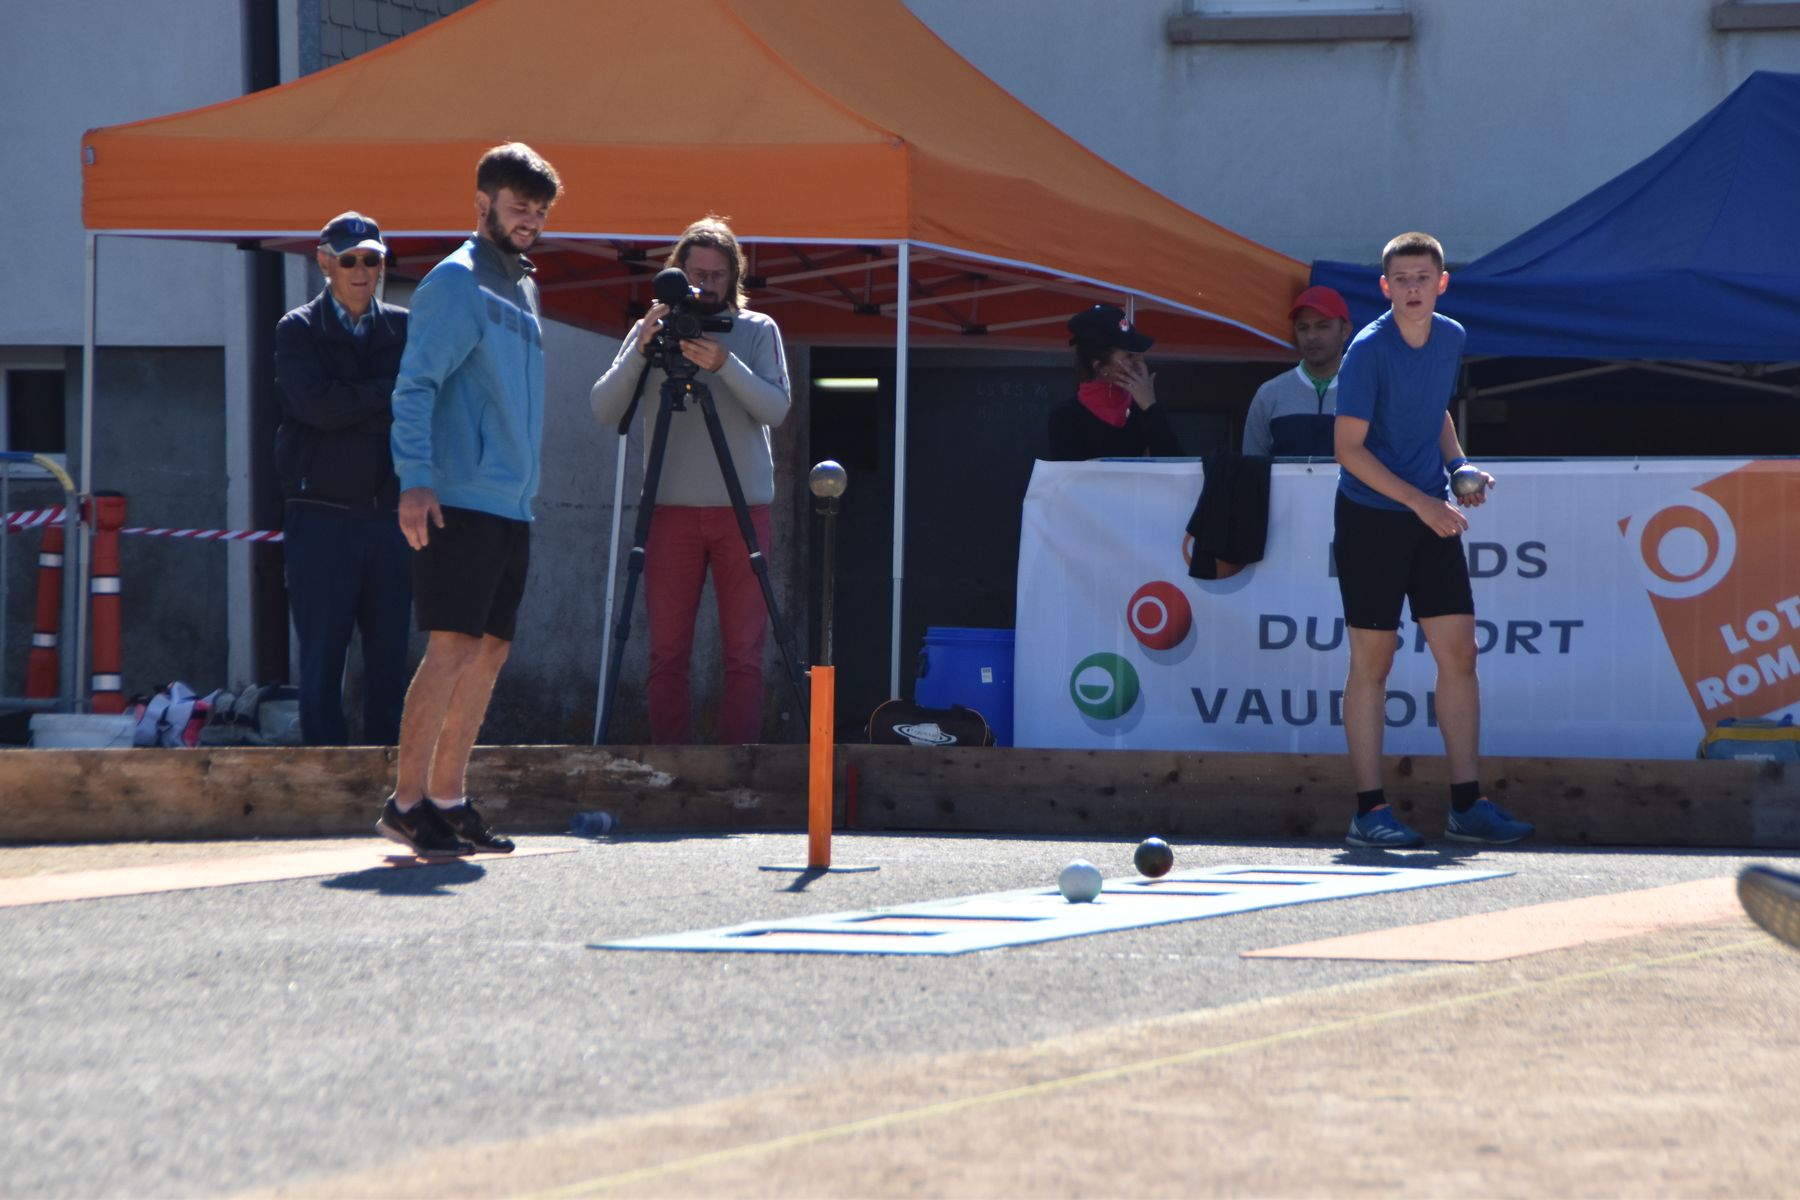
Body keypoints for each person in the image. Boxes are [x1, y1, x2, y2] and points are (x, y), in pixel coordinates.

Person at [375, 143, 561, 858]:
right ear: (482, 204)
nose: (530, 221)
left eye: (539, 211)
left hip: (512, 501)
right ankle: (405, 803)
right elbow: (415, 386)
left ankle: (449, 799)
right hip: (456, 496)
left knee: (490, 651)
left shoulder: (524, 287)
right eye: (519, 208)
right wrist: (415, 478)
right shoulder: (455, 281)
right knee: (451, 646)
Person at [1333, 231, 1532, 849]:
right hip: (1372, 517)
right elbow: (1348, 450)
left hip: (1429, 512)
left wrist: (1458, 466)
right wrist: (1422, 502)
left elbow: (1436, 412)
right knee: (1373, 662)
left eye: (1423, 277)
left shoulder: (1450, 336)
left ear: (1442, 283)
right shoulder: (1367, 351)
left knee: (1461, 653)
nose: (1413, 288)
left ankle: (1467, 805)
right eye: (1402, 279)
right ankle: (1368, 811)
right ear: (1385, 287)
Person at [590, 216, 791, 745]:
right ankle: (671, 767)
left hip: (743, 513)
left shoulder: (758, 329)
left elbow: (776, 410)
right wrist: (641, 349)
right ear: (677, 273)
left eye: (717, 276)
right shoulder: (652, 330)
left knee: (744, 654)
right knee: (666, 653)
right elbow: (604, 408)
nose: (705, 286)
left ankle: (738, 766)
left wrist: (725, 365)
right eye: (696, 274)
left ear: (734, 278)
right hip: (669, 512)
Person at [272, 212, 413, 747]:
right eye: (349, 260)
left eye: (371, 260)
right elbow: (316, 407)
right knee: (321, 665)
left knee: (389, 666)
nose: (361, 270)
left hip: (390, 517)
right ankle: (324, 778)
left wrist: (352, 402)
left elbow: (420, 406)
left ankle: (391, 780)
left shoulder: (404, 328)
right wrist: (385, 394)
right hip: (320, 518)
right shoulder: (298, 329)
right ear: (324, 263)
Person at [1044, 304, 1183, 461]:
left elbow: (1177, 466)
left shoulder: (1144, 408)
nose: (1139, 362)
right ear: (1100, 367)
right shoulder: (1067, 417)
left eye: (1139, 354)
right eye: (1129, 355)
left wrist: (1150, 408)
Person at [1242, 285, 1353, 457]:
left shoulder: (1369, 392)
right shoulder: (1269, 394)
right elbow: (1252, 467)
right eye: (1303, 327)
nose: (1311, 336)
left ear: (1345, 331)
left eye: (1322, 326)